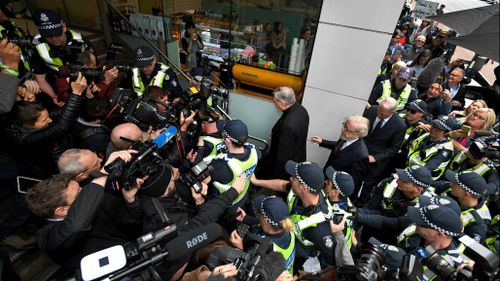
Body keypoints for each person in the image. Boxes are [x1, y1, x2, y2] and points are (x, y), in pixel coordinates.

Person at [26, 150, 143, 270]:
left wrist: (131, 201)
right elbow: (75, 227)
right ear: (62, 211)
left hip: (135, 249)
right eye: (79, 193)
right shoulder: (47, 239)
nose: (85, 191)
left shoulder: (88, 202)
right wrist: (103, 174)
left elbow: (126, 224)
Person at [251, 161, 349, 269]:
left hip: (297, 256)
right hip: (285, 232)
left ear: (304, 187)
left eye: (295, 177)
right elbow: (283, 185)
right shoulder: (308, 191)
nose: (291, 178)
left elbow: (332, 263)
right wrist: (257, 182)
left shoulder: (319, 229)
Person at [31, 9, 95, 108]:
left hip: (84, 82)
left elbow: (93, 68)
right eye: (48, 36)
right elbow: (41, 79)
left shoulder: (80, 41)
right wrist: (54, 96)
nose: (53, 39)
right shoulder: (37, 45)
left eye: (56, 33)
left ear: (64, 27)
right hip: (58, 84)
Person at [357, 165, 432, 244]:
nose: (397, 181)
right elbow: (370, 207)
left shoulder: (423, 208)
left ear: (418, 189)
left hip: (392, 240)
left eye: (404, 180)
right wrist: (355, 219)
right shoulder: (388, 183)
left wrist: (359, 216)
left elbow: (394, 223)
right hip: (370, 226)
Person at [355, 97, 406, 206]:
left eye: (382, 114)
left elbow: (394, 148)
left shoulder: (399, 126)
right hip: (360, 152)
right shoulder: (373, 110)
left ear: (392, 112)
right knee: (355, 177)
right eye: (379, 111)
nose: (379, 114)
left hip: (377, 160)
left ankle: (360, 205)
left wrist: (376, 157)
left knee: (367, 185)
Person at [231, 195, 296, 274]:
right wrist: (245, 218)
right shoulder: (288, 229)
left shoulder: (262, 246)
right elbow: (262, 224)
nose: (258, 215)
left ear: (266, 221)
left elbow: (251, 271)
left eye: (259, 213)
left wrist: (240, 247)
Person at [398, 204, 464, 280]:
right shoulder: (417, 233)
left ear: (439, 234)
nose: (416, 223)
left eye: (423, 224)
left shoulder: (452, 267)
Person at [205, 120, 259, 210]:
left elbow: (204, 179)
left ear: (227, 140)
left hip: (226, 202)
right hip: (243, 194)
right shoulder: (254, 150)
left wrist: (200, 149)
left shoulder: (221, 165)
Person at [258, 86, 309, 180]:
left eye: (275, 101)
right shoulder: (301, 110)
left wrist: (275, 179)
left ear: (281, 103)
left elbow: (282, 156)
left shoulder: (288, 126)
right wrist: (276, 132)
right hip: (297, 156)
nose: (274, 104)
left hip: (284, 166)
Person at [445, 170, 491, 243]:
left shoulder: (479, 224)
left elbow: (473, 247)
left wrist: (455, 230)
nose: (451, 184)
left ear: (466, 194)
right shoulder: (454, 192)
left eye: (455, 183)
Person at [407, 115, 457, 180]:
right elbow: (407, 146)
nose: (433, 129)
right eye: (434, 126)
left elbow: (427, 169)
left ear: (446, 132)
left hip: (422, 178)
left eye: (438, 129)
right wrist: (416, 130)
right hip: (408, 166)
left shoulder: (446, 150)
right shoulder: (426, 134)